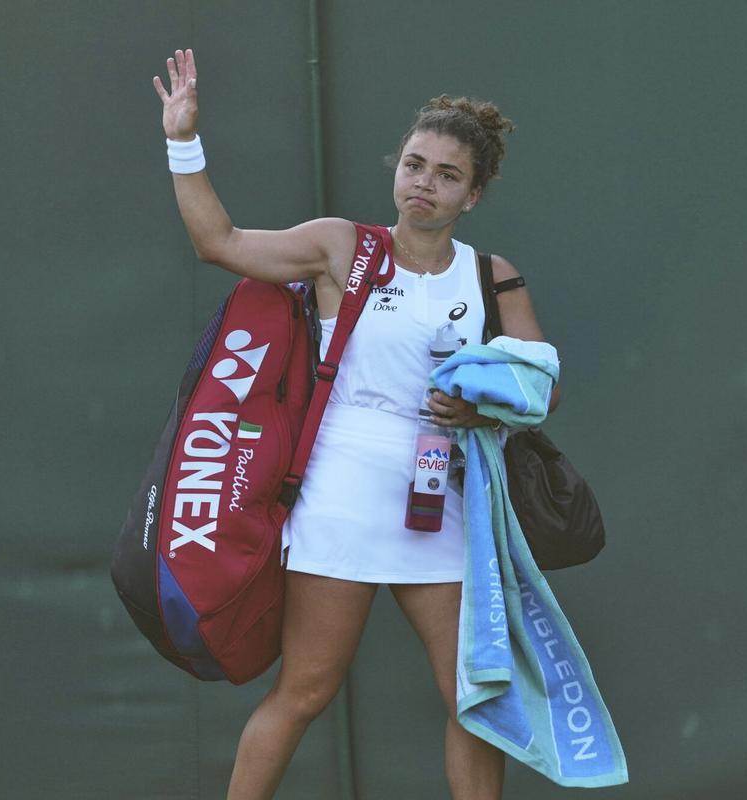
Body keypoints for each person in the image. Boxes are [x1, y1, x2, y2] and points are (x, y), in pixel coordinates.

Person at [153, 48, 559, 800]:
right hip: (343, 494)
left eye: (447, 175)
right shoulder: (342, 245)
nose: (424, 184)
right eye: (414, 165)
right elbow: (220, 243)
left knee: (474, 700)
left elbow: (543, 386)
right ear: (397, 168)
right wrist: (183, 139)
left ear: (473, 195)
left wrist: (483, 408)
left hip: (444, 501)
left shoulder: (491, 275)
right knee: (305, 691)